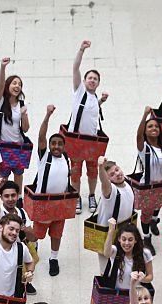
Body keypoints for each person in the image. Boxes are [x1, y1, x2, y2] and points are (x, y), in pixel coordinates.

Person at [29, 105, 73, 277]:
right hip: (43, 204)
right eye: (53, 143)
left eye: (59, 144)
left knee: (57, 233)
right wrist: (47, 115)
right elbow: (41, 136)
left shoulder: (66, 159)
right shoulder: (44, 156)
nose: (56, 146)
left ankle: (53, 258)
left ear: (63, 146)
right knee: (36, 233)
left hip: (60, 205)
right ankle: (33, 248)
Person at [101, 219, 153, 304]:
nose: (127, 243)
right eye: (123, 239)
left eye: (130, 239)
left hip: (135, 300)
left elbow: (150, 276)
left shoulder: (145, 254)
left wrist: (141, 278)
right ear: (119, 239)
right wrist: (111, 230)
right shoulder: (116, 251)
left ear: (136, 240)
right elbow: (106, 252)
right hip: (115, 300)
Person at [68, 40, 109, 214]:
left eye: (95, 79)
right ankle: (76, 196)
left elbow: (91, 114)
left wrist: (101, 101)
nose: (92, 80)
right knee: (75, 171)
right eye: (89, 78)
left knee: (92, 171)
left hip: (92, 142)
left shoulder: (93, 98)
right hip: (77, 140)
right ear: (84, 81)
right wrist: (81, 50)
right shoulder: (80, 92)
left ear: (98, 83)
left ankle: (91, 195)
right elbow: (75, 67)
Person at [133, 107, 162, 250]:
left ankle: (154, 220)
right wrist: (145, 114)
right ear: (145, 131)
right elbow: (138, 135)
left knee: (158, 205)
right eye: (150, 126)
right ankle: (146, 238)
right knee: (146, 213)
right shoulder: (144, 147)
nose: (154, 128)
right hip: (148, 185)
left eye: (156, 126)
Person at [0, 180, 36, 293]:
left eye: (13, 195)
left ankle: (24, 283)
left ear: (18, 196)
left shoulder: (22, 212)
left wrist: (24, 228)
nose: (10, 199)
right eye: (6, 196)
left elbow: (33, 238)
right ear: (1, 197)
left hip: (16, 253)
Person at [0, 57, 30, 188]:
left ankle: (18, 199)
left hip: (18, 146)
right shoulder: (0, 102)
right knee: (3, 176)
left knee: (18, 175)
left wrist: (24, 115)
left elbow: (25, 129)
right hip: (3, 146)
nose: (17, 86)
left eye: (19, 84)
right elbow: (1, 85)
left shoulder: (21, 105)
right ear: (8, 85)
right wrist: (3, 67)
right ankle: (1, 200)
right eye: (14, 83)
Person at [95, 156, 136, 245]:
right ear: (108, 179)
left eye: (117, 170)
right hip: (107, 236)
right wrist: (101, 168)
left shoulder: (128, 182)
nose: (117, 174)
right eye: (112, 174)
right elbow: (104, 181)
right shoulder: (111, 190)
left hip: (124, 233)